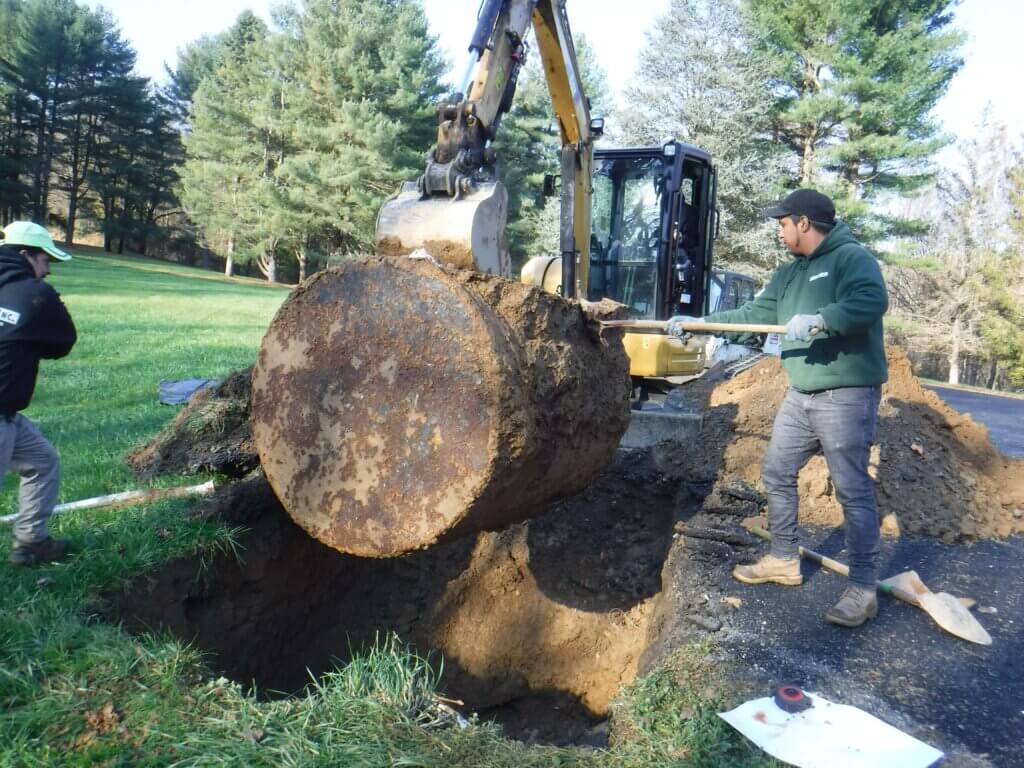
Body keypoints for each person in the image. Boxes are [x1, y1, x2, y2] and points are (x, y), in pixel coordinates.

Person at [668, 189, 888, 627]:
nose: (780, 231)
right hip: (800, 393)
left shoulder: (851, 259)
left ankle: (863, 589)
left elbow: (870, 302)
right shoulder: (788, 274)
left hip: (845, 395)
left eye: (783, 223)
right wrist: (700, 324)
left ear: (804, 222)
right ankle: (785, 559)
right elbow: (753, 314)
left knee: (851, 489)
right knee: (776, 470)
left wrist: (822, 320)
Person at [0, 221, 77, 566]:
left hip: (9, 413)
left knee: (42, 461)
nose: (47, 270)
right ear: (24, 255)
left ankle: (31, 541)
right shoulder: (35, 294)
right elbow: (63, 342)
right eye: (45, 260)